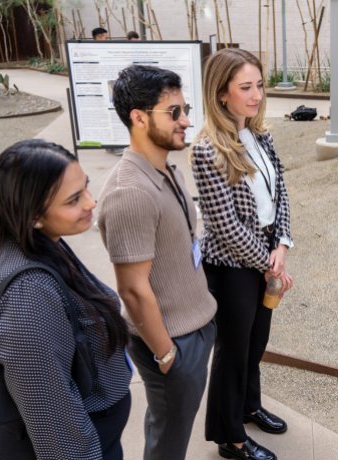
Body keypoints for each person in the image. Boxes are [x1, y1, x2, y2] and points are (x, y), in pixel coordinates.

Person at [0, 139, 131, 459]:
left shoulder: (42, 242)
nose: (91, 202)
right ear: (33, 214)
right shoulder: (28, 297)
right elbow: (54, 422)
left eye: (86, 187)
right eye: (74, 199)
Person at [98, 65, 218, 460]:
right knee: (168, 441)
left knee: (176, 432)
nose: (186, 121)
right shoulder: (129, 191)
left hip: (194, 328)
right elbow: (132, 289)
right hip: (171, 342)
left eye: (184, 109)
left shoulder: (165, 167)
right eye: (174, 112)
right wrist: (167, 355)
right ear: (139, 117)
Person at [190, 48, 294, 460]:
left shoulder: (260, 134)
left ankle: (249, 406)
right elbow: (225, 226)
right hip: (231, 266)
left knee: (256, 342)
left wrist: (282, 244)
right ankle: (229, 437)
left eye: (259, 85)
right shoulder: (206, 150)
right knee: (233, 352)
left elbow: (280, 191)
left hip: (266, 252)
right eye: (245, 88)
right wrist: (268, 261)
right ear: (221, 94)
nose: (256, 95)